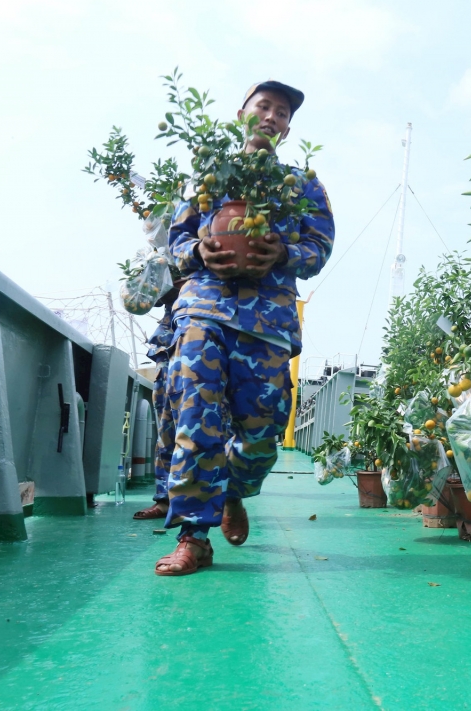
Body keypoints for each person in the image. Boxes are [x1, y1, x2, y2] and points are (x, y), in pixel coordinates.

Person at [155, 80, 334, 576]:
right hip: (204, 309)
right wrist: (198, 252)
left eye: (282, 112)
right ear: (242, 114)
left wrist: (283, 252)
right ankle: (194, 536)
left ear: (289, 127)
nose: (272, 116)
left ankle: (235, 491)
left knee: (261, 437)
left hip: (268, 321)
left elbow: (319, 246)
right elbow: (176, 239)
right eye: (264, 106)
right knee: (196, 414)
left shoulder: (302, 186)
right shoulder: (207, 177)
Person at [132, 293, 176, 521]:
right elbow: (142, 299)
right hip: (168, 347)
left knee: (211, 427)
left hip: (211, 338)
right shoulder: (169, 257)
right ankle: (164, 500)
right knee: (166, 431)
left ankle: (221, 500)